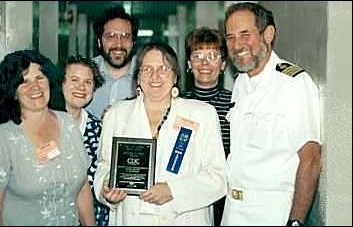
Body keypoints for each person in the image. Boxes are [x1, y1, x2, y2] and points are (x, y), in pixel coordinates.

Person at [93, 41, 227, 226]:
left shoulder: (202, 114)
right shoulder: (117, 114)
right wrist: (107, 189)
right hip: (132, 217)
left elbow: (219, 178)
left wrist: (174, 191)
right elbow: (104, 166)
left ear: (175, 76)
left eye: (163, 69)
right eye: (147, 69)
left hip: (185, 219)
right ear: (138, 77)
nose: (154, 76)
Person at [221, 2, 321, 226]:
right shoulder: (241, 83)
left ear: (268, 34)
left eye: (245, 34)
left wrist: (295, 221)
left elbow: (311, 159)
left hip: (272, 213)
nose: (237, 45)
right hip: (234, 211)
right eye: (230, 37)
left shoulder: (293, 83)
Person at [0, 50, 95, 226]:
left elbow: (83, 188)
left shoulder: (68, 123)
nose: (35, 87)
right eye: (24, 82)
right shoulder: (1, 139)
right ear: (12, 92)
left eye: (40, 78)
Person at [183, 26, 232, 226]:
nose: (205, 63)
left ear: (223, 64)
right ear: (188, 63)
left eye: (212, 55)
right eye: (197, 55)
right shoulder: (176, 103)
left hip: (225, 195)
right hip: (186, 192)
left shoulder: (236, 103)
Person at [61, 55, 110, 226]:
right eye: (74, 80)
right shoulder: (46, 127)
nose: (81, 87)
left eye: (88, 82)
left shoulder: (101, 130)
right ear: (61, 83)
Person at [86, 5, 139, 118]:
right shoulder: (85, 72)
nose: (119, 44)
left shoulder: (147, 75)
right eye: (110, 36)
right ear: (99, 42)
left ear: (133, 42)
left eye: (125, 36)